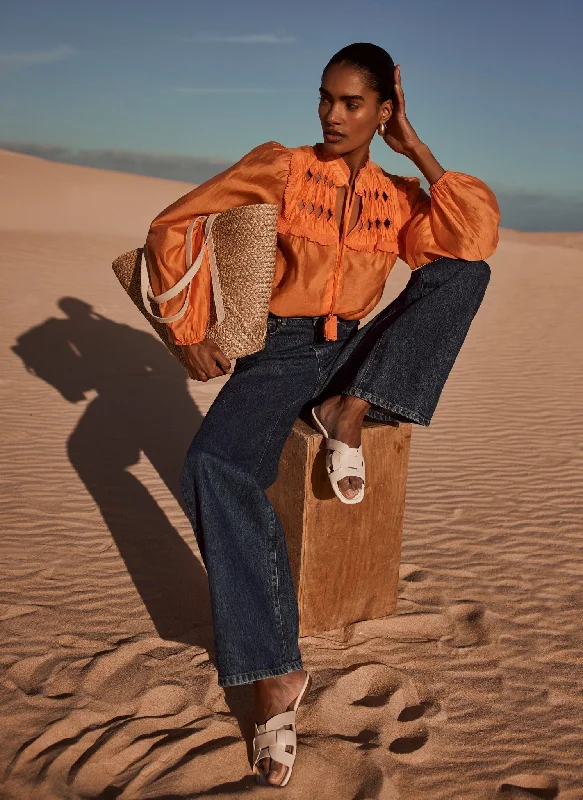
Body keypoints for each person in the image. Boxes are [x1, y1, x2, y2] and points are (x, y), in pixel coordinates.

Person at [144, 42, 500, 787]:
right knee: (211, 463)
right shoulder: (281, 166)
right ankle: (275, 672)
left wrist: (420, 153)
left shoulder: (400, 194)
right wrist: (187, 334)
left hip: (354, 353)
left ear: (382, 111)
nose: (332, 115)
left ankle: (351, 407)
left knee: (467, 274)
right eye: (325, 99)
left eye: (351, 103)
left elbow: (471, 237)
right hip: (278, 351)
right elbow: (174, 224)